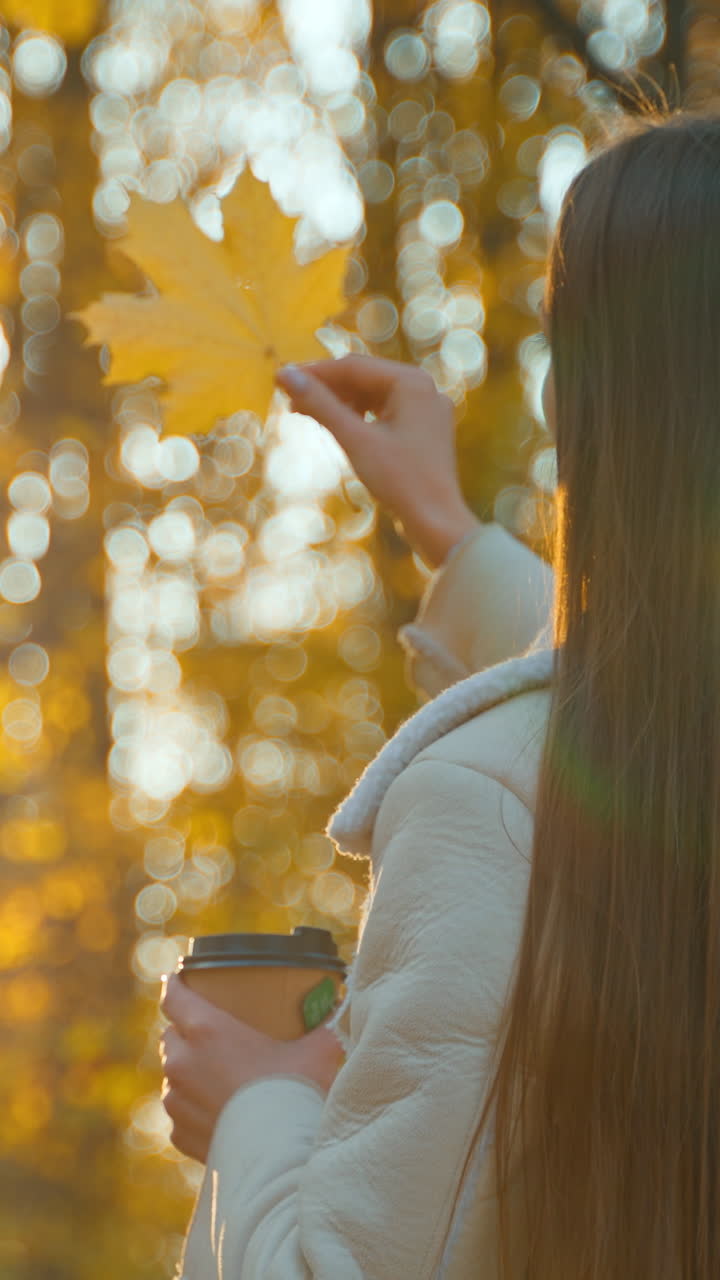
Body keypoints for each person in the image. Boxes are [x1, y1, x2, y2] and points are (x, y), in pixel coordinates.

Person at [160, 110, 720, 1278]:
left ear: (592, 409)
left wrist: (257, 1110)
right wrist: (451, 536)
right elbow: (657, 712)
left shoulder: (486, 806)